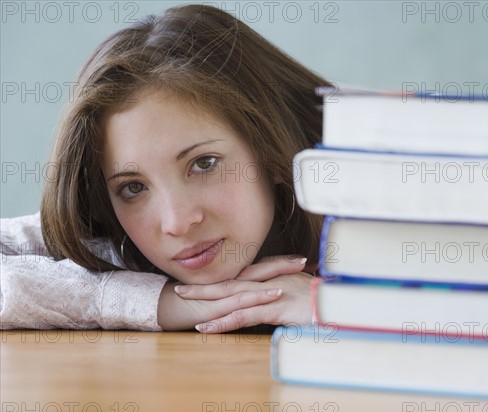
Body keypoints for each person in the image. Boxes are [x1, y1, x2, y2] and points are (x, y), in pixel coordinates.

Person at [0, 4, 329, 332]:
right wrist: (160, 302)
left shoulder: (365, 222)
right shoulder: (116, 243)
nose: (178, 223)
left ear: (268, 148)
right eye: (133, 187)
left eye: (203, 164)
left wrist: (336, 308)